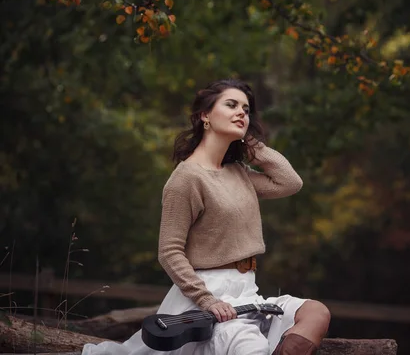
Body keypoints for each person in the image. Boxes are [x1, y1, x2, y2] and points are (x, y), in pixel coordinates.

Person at [82, 79, 330, 355]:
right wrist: (206, 300)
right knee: (253, 348)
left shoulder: (237, 173)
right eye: (231, 105)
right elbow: (169, 251)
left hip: (248, 291)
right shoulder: (186, 178)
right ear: (205, 115)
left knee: (315, 313)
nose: (242, 114)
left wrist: (252, 146)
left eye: (246, 110)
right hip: (208, 295)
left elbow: (290, 183)